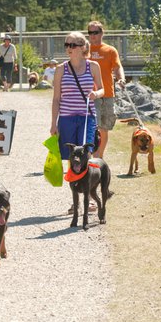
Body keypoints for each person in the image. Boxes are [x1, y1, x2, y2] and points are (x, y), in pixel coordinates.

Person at [50, 32, 104, 213]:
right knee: (72, 158)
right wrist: (53, 123)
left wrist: (96, 94)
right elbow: (56, 98)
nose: (68, 48)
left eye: (72, 45)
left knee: (86, 155)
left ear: (82, 47)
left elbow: (103, 88)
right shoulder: (60, 69)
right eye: (66, 45)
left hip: (87, 116)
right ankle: (75, 200)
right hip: (66, 118)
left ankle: (88, 198)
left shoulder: (93, 66)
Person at [87, 21, 126, 159]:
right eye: (90, 33)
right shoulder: (85, 50)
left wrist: (121, 78)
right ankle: (91, 155)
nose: (92, 35)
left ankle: (99, 156)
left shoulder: (110, 50)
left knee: (104, 128)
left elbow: (117, 67)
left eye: (95, 32)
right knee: (92, 127)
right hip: (91, 95)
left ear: (102, 33)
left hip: (108, 93)